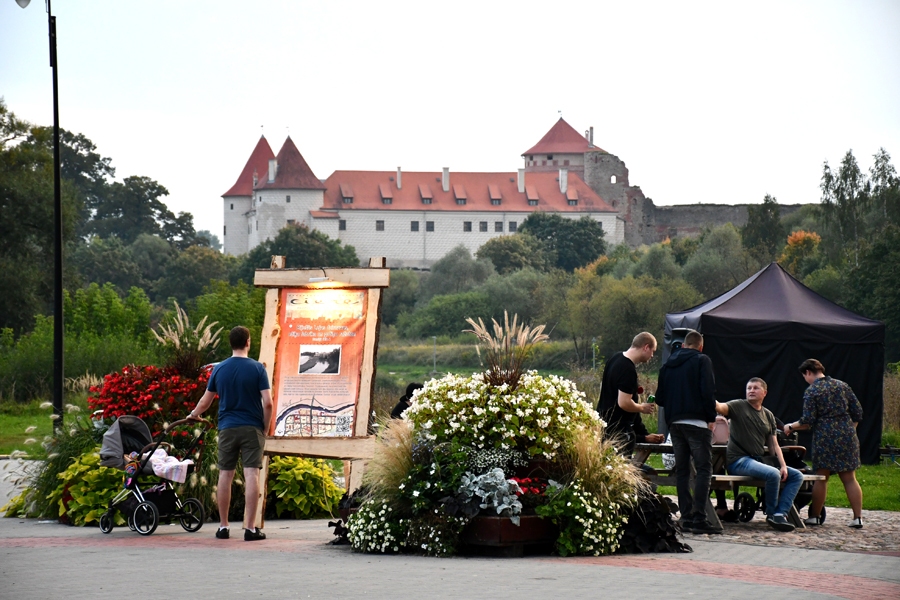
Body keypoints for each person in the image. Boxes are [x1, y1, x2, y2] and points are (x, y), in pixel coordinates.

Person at [189, 326, 273, 541]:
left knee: (225, 475)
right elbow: (268, 403)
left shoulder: (219, 369)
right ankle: (250, 529)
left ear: (231, 343)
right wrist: (264, 428)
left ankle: (224, 527)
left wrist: (193, 415)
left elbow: (205, 401)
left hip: (227, 428)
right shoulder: (257, 369)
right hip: (252, 427)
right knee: (251, 474)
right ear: (248, 342)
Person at [715, 377, 804, 532]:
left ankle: (780, 514)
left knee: (797, 476)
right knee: (773, 474)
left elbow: (774, 445)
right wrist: (705, 392)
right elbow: (720, 408)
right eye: (749, 388)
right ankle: (771, 515)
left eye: (755, 388)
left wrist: (783, 465)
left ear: (765, 392)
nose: (751, 391)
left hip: (758, 460)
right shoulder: (738, 406)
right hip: (739, 461)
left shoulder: (768, 415)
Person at [784, 359, 864, 528]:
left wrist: (790, 426)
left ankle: (814, 516)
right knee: (849, 478)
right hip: (847, 435)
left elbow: (808, 420)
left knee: (821, 477)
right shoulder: (842, 385)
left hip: (824, 437)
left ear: (808, 372)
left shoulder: (812, 391)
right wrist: (850, 430)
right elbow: (858, 412)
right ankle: (857, 518)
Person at [655, 330, 719, 534]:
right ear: (700, 346)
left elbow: (660, 399)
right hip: (698, 423)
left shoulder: (667, 366)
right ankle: (700, 517)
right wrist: (711, 418)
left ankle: (686, 516)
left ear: (683, 345)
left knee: (681, 470)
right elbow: (708, 391)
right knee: (703, 469)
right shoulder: (702, 360)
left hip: (675, 423)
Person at [597, 332, 663, 455]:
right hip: (620, 432)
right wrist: (642, 408)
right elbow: (624, 403)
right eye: (652, 351)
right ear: (646, 347)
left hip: (604, 425)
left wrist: (644, 435)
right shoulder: (627, 369)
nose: (652, 355)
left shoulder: (614, 359)